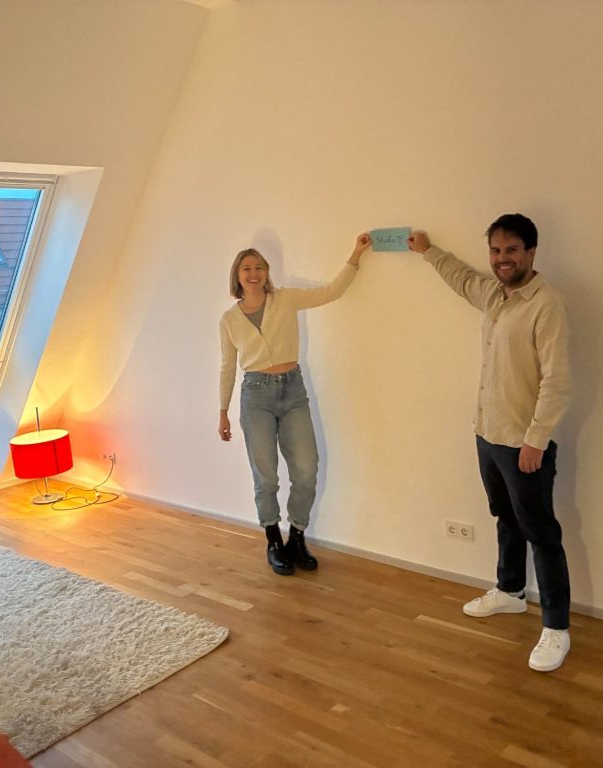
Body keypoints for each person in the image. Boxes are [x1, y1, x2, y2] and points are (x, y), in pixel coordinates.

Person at [408, 214, 573, 672]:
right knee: (505, 517)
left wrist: (536, 440)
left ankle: (556, 627)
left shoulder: (547, 304)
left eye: (512, 250)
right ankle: (511, 590)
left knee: (541, 532)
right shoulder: (495, 296)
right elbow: (462, 279)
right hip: (488, 433)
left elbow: (558, 381)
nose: (503, 259)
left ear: (531, 252)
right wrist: (428, 251)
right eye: (496, 251)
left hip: (524, 443)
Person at [218, 234, 372, 575]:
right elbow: (228, 366)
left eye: (259, 267)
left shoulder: (286, 299)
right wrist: (223, 411)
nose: (254, 273)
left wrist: (356, 252)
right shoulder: (229, 320)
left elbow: (331, 291)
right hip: (255, 395)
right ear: (237, 276)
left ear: (267, 272)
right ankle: (273, 540)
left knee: (306, 468)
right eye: (247, 268)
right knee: (266, 476)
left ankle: (297, 537)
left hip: (292, 390)